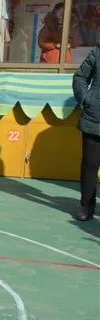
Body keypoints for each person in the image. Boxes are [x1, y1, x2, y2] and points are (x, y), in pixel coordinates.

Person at [72, 43, 100, 221]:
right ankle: (86, 204)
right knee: (90, 165)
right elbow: (80, 76)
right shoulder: (97, 52)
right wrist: (86, 98)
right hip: (94, 117)